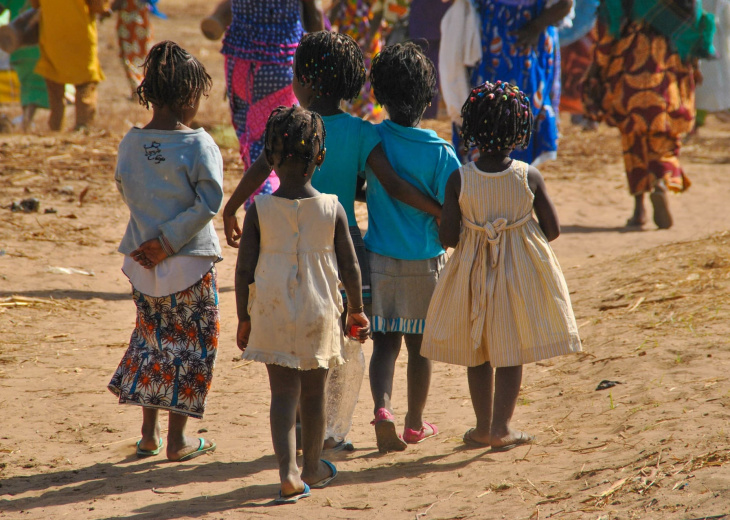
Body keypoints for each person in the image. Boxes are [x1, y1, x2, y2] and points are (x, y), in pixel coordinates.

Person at [223, 30, 442, 453]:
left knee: (296, 341)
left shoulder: (290, 124)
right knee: (340, 342)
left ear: (302, 81)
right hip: (343, 248)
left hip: (284, 246)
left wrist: (232, 207)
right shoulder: (363, 133)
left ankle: (303, 428)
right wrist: (439, 209)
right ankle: (331, 430)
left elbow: (259, 169)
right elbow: (391, 184)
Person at [422, 81, 582, 450]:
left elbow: (448, 238)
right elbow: (553, 230)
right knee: (511, 350)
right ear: (521, 130)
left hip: (473, 274)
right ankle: (501, 428)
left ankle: (481, 427)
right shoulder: (529, 176)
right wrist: (517, 230)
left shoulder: (459, 178)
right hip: (519, 274)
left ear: (471, 129)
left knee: (478, 351)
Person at [235, 105, 370, 504]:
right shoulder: (332, 208)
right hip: (319, 312)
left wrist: (244, 317)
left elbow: (244, 271)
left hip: (272, 311)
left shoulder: (259, 210)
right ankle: (312, 465)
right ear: (321, 156)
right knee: (314, 396)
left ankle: (288, 473)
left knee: (282, 396)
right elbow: (350, 268)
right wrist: (357, 310)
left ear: (271, 158)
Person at [108, 41, 222, 462]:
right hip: (188, 263)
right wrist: (170, 241)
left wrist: (152, 239)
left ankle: (149, 435)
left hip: (143, 264)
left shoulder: (130, 143)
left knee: (154, 342)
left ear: (149, 94)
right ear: (190, 97)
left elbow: (125, 188)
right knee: (190, 349)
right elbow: (209, 202)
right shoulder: (198, 145)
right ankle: (177, 442)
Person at [365, 42, 461, 453]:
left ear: (379, 97)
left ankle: (381, 410)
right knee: (421, 350)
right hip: (424, 262)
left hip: (379, 258)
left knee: (384, 343)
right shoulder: (442, 153)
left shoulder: (374, 140)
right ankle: (415, 423)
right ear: (429, 97)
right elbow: (451, 218)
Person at [582, 0, 715, 229]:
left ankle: (639, 210)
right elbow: (696, 26)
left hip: (630, 67)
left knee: (633, 139)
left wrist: (598, 68)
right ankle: (661, 181)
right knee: (665, 137)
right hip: (669, 67)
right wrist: (693, 66)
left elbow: (608, 32)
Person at [221, 0, 323, 209]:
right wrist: (320, 66)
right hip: (282, 64)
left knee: (254, 145)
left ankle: (259, 214)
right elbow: (314, 14)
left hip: (239, 62)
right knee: (280, 145)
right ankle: (270, 212)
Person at [462, 0, 573, 165]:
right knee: (484, 109)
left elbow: (565, 4)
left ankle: (514, 175)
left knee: (518, 112)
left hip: (525, 40)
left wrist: (535, 27)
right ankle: (485, 174)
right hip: (489, 40)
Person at [30, 0, 105, 130]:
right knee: (85, 83)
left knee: (54, 84)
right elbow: (99, 6)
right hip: (81, 35)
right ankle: (83, 126)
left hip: (53, 36)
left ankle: (55, 127)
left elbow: (35, 4)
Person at [328, 0, 385, 120]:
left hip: (368, 41)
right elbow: (332, 17)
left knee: (367, 81)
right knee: (350, 79)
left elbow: (378, 13)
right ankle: (353, 118)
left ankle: (365, 118)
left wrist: (369, 41)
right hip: (348, 41)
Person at [0, 1, 48, 130]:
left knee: (26, 84)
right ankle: (28, 121)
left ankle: (27, 120)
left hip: (17, 43)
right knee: (41, 85)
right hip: (41, 44)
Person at [408, 0, 452, 120]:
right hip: (436, 22)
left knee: (423, 70)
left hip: (425, 23)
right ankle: (427, 113)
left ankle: (424, 113)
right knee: (430, 71)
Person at [695, 0, 730, 128]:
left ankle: (701, 114)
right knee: (705, 79)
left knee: (715, 77)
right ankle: (699, 114)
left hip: (713, 37)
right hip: (705, 37)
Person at [111, 0, 152, 98]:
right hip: (142, 16)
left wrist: (109, 10)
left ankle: (138, 89)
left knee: (129, 55)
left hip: (129, 19)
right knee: (142, 54)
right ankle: (143, 89)